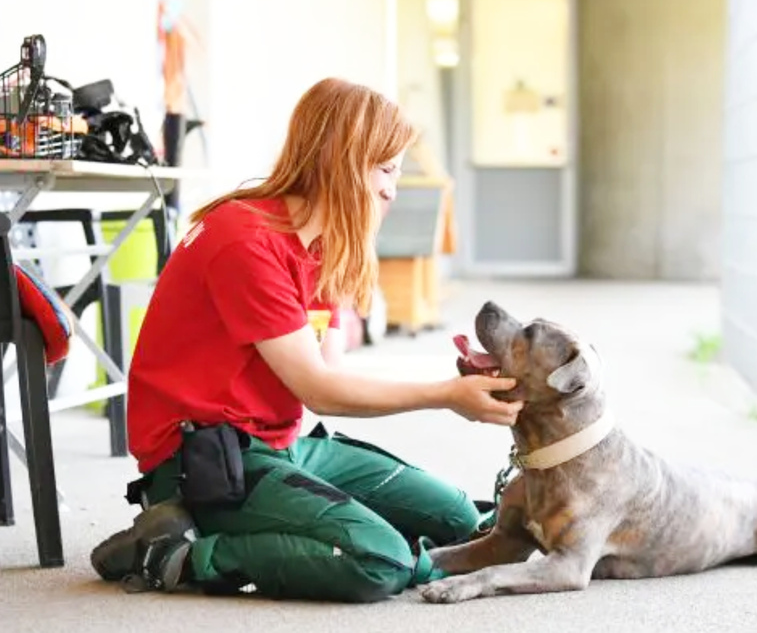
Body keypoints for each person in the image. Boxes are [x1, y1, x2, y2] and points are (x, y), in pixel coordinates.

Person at [89, 77, 522, 603]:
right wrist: (443, 396)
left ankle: (311, 533)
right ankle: (173, 553)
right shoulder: (245, 243)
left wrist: (459, 381)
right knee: (379, 561)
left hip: (282, 441)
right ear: (340, 161)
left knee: (461, 518)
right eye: (384, 170)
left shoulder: (324, 244)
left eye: (397, 173)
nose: (391, 189)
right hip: (207, 457)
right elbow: (320, 389)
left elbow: (328, 374)